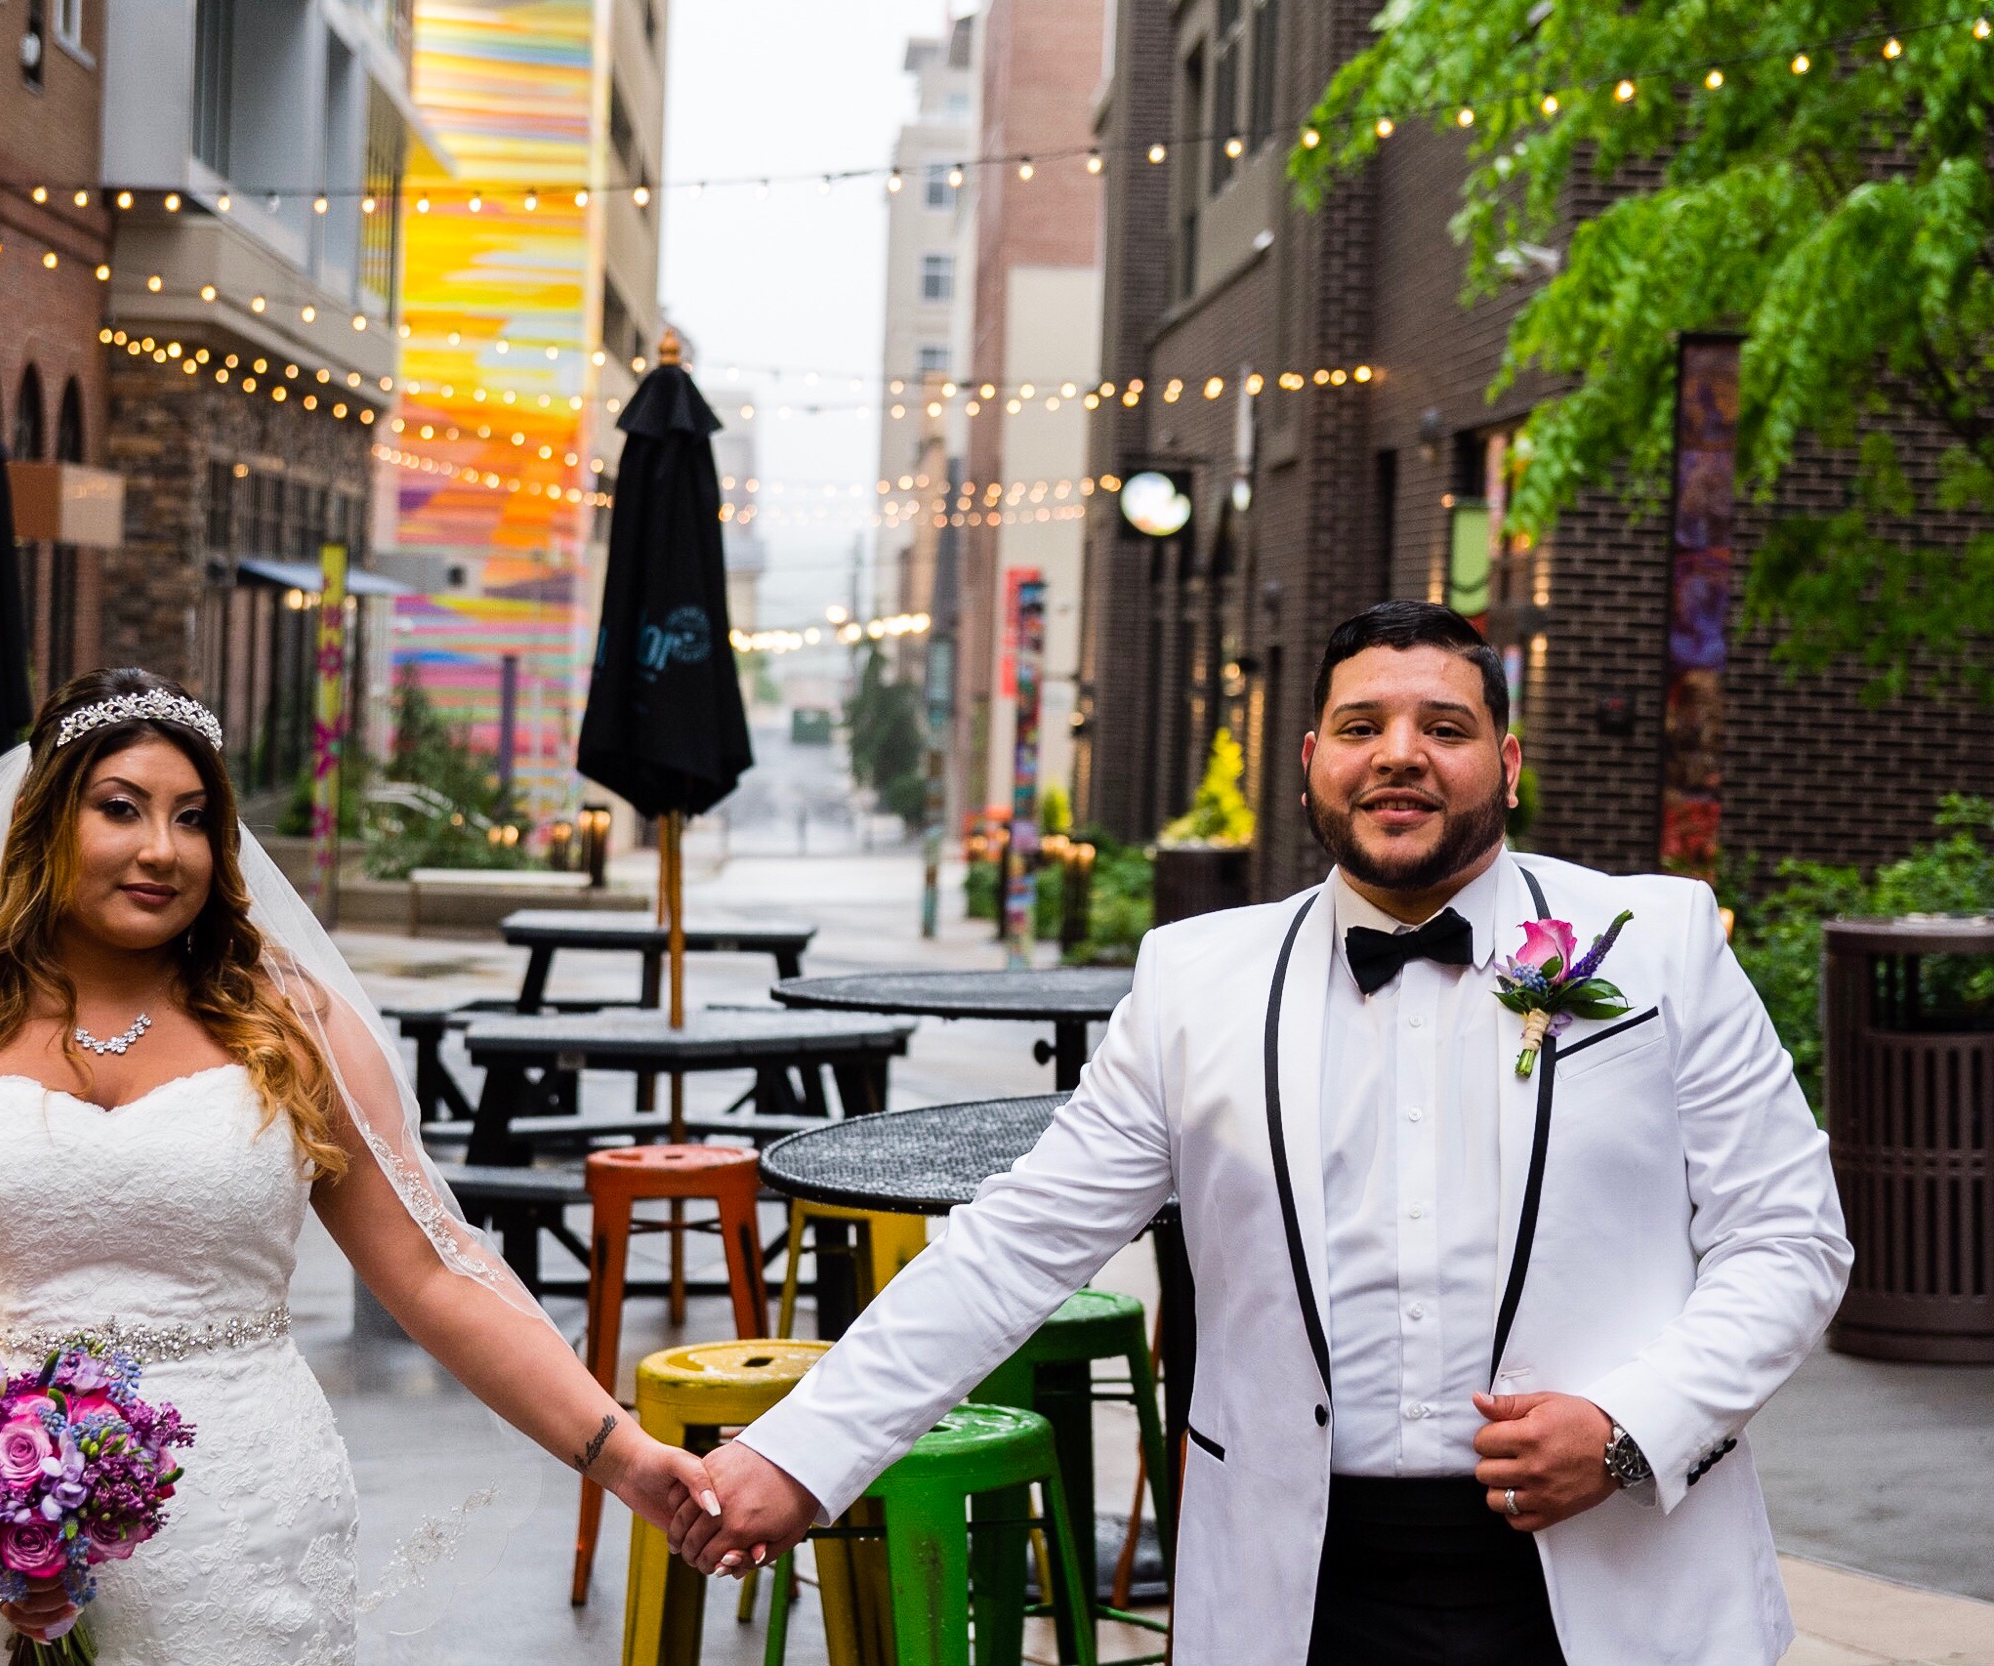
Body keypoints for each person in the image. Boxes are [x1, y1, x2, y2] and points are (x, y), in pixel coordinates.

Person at [675, 602, 1852, 1665]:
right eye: (1360, 725)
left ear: (1505, 760)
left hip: (1610, 1572)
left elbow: (1791, 1243)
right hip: (1298, 1589)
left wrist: (1628, 1429)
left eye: (1443, 725)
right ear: (1311, 765)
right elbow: (1014, 1246)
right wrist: (803, 1453)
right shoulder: (1196, 982)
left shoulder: (1658, 945)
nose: (1398, 751)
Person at [0, 668, 716, 1661]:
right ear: (42, 821)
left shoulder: (290, 1026)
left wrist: (622, 1452)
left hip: (240, 1534)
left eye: (195, 816)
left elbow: (434, 1270)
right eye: (119, 809)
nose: (162, 849)